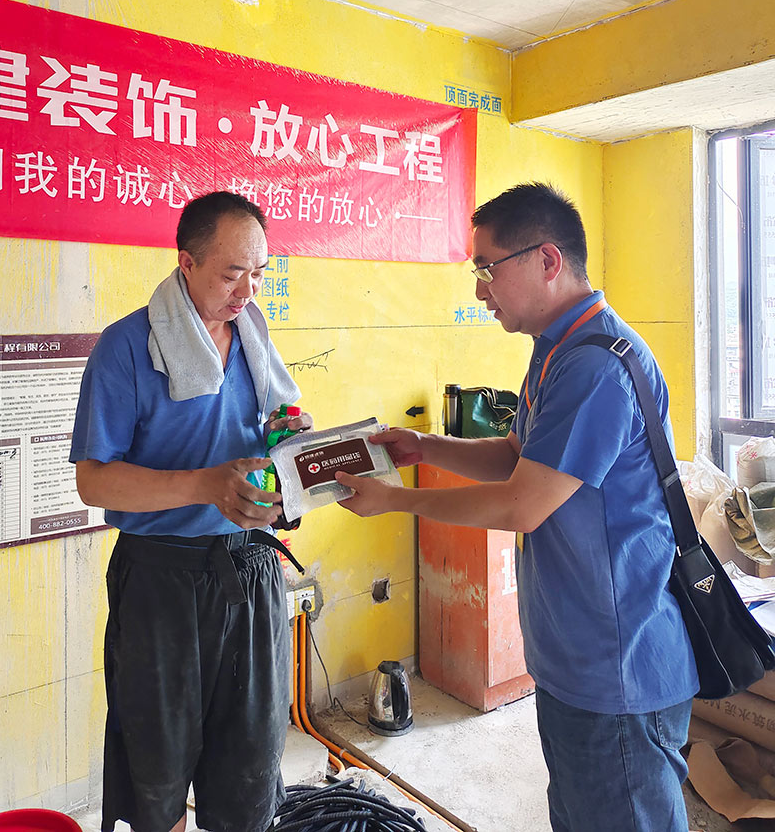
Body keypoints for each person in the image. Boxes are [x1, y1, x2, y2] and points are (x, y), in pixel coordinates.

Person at [336, 182, 699, 832]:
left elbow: (521, 505)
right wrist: (423, 446)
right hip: (574, 661)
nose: (481, 290)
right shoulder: (558, 350)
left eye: (487, 268)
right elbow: (516, 457)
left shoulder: (594, 366)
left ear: (548, 259)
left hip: (617, 669)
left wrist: (394, 499)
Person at [70, 191, 312, 832]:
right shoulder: (128, 346)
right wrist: (206, 486)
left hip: (249, 573)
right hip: (160, 582)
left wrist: (291, 447)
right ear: (187, 262)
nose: (247, 291)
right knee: (158, 770)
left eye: (258, 273)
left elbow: (269, 426)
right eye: (232, 273)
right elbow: (94, 482)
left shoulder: (254, 339)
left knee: (250, 764)